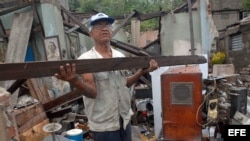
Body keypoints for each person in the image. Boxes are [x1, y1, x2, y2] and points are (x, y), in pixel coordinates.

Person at [54, 12, 158, 141]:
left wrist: (142, 72)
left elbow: (124, 84)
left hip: (124, 119)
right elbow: (92, 93)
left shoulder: (120, 56)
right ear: (91, 34)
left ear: (112, 31)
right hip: (104, 125)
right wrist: (74, 80)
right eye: (98, 26)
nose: (104, 28)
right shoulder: (86, 59)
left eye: (107, 25)